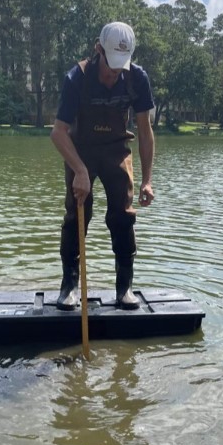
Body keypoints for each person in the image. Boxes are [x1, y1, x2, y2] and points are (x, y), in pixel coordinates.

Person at [51, 21, 155, 311]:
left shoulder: (137, 78)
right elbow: (58, 133)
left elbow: (145, 131)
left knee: (123, 214)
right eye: (110, 67)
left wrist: (147, 179)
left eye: (120, 68)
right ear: (98, 50)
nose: (113, 75)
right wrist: (80, 171)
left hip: (115, 150)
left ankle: (125, 288)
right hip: (79, 150)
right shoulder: (77, 78)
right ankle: (69, 286)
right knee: (76, 214)